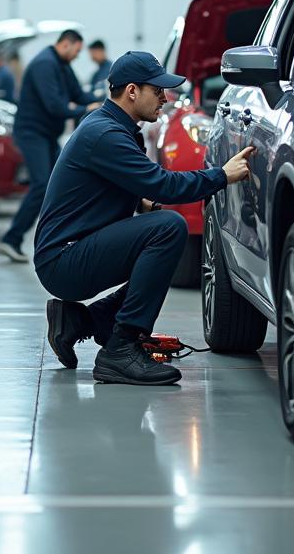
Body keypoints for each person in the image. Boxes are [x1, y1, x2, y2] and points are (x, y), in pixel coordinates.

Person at [34, 51, 254, 385]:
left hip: (70, 251)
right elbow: (163, 184)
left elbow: (110, 184)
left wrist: (140, 201)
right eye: (158, 90)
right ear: (132, 91)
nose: (165, 98)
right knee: (169, 228)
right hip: (64, 260)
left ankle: (82, 322)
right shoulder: (106, 134)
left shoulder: (112, 127)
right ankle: (120, 350)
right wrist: (221, 175)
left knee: (162, 232)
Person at [0, 29, 100, 262]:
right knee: (42, 185)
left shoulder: (62, 64)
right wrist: (84, 110)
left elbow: (77, 93)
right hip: (32, 133)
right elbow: (55, 105)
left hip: (47, 134)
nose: (77, 56)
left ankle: (59, 239)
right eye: (76, 51)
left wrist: (105, 101)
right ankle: (11, 239)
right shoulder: (45, 64)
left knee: (60, 184)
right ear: (65, 44)